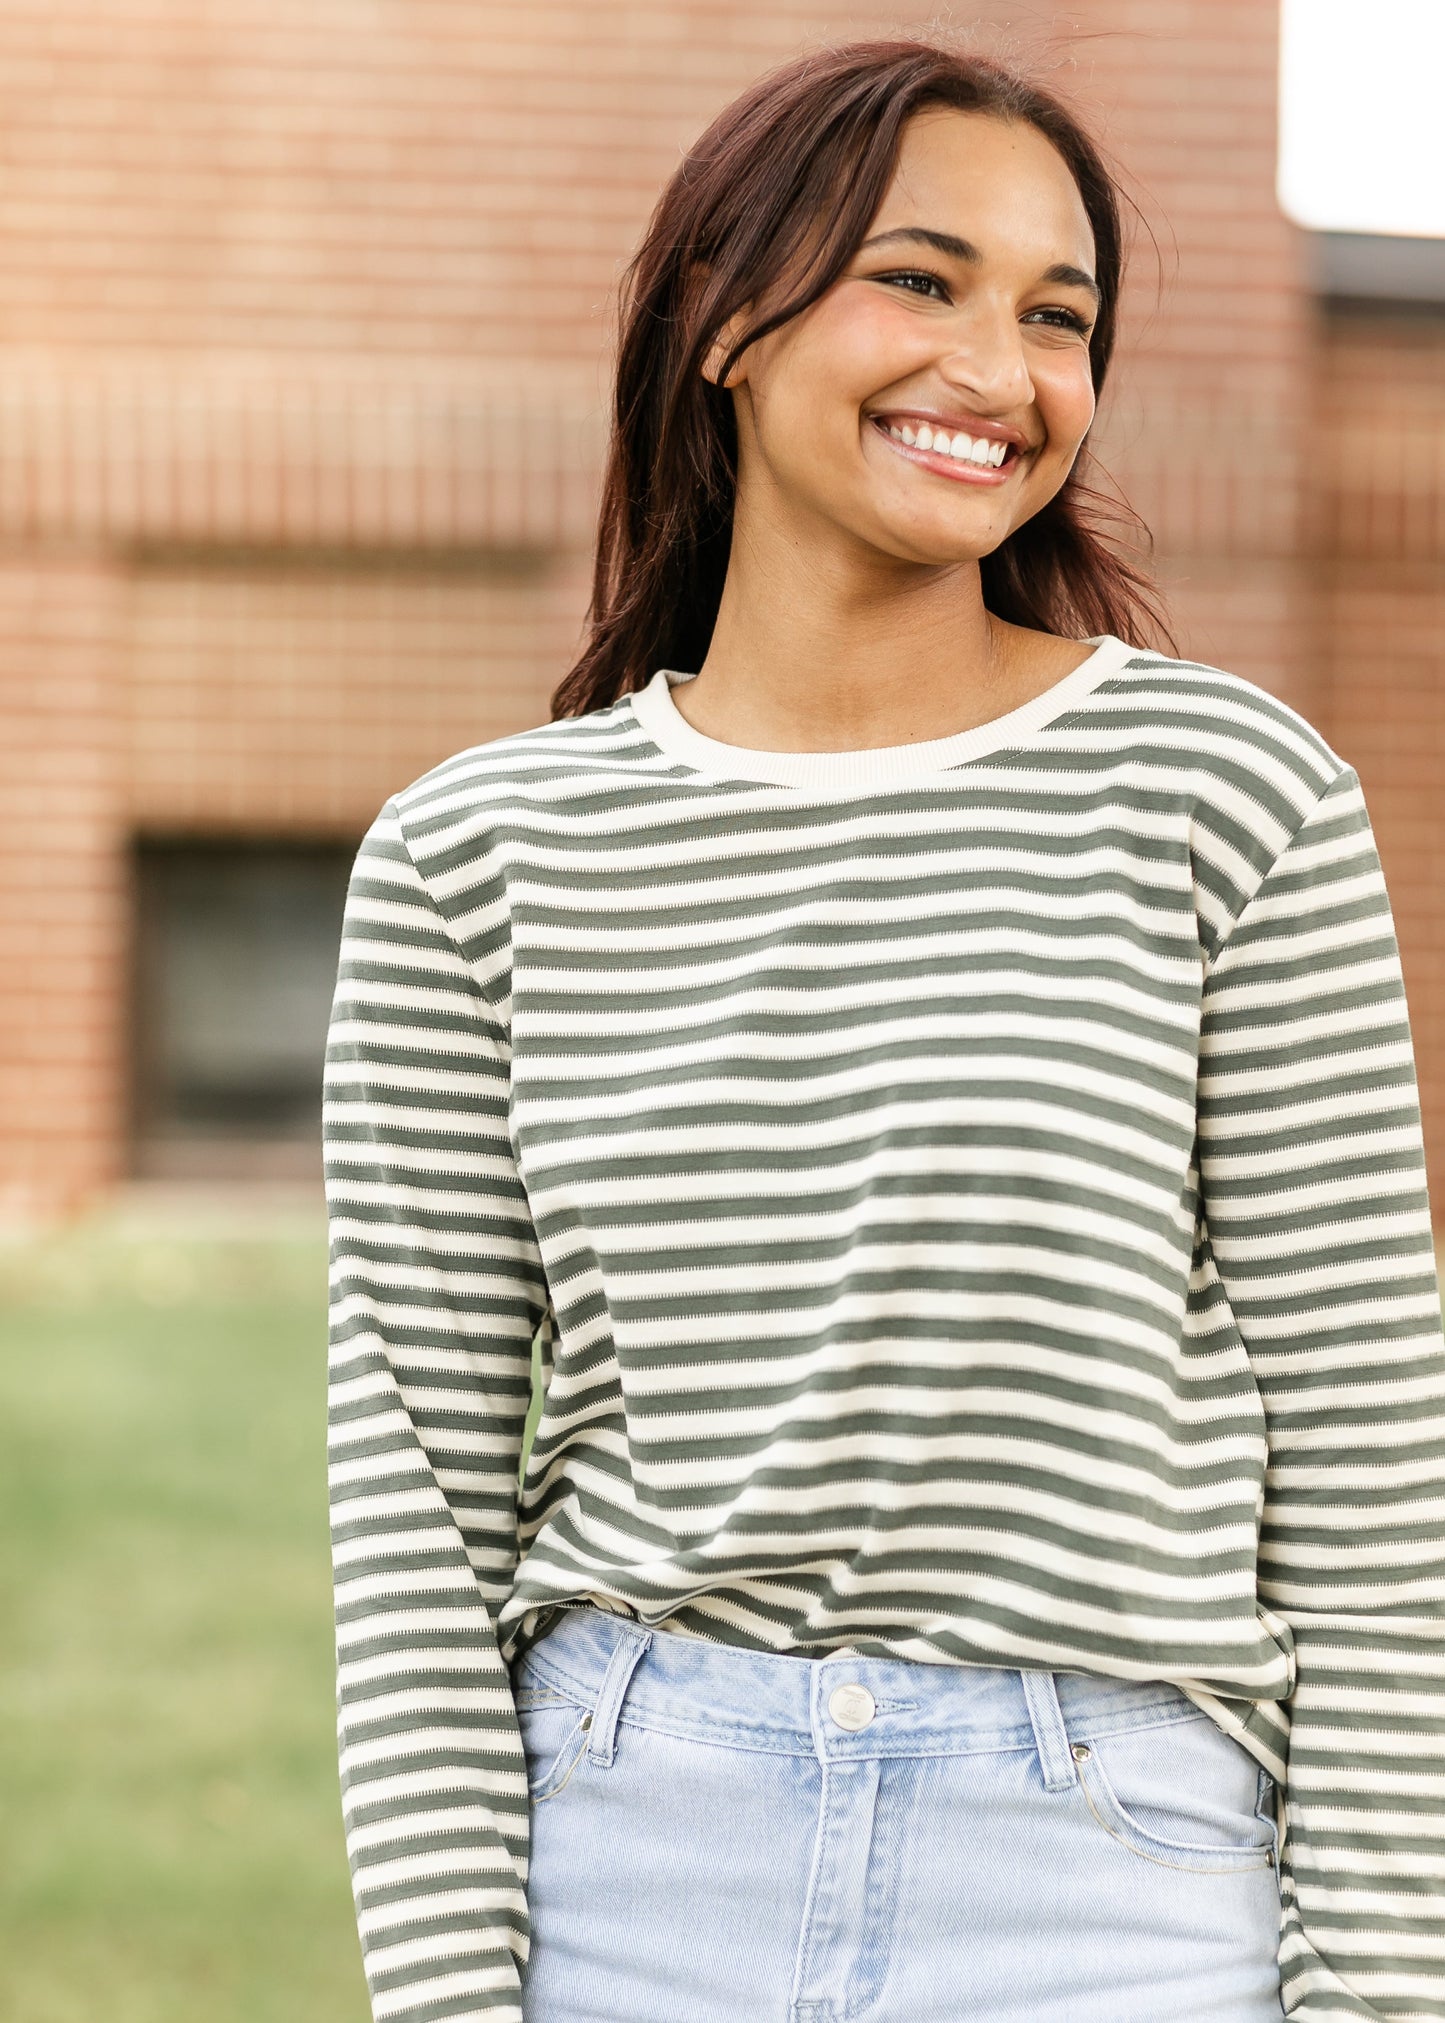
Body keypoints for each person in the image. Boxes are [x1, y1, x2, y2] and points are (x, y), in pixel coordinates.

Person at [323, 38, 1445, 2023]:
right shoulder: (473, 857)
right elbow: (414, 1504)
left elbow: (1368, 1472)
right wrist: (445, 1996)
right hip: (624, 1854)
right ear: (719, 315)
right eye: (921, 281)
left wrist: (1379, 1993)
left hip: (1113, 1884)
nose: (1002, 374)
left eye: (1059, 316)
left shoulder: (1224, 797)